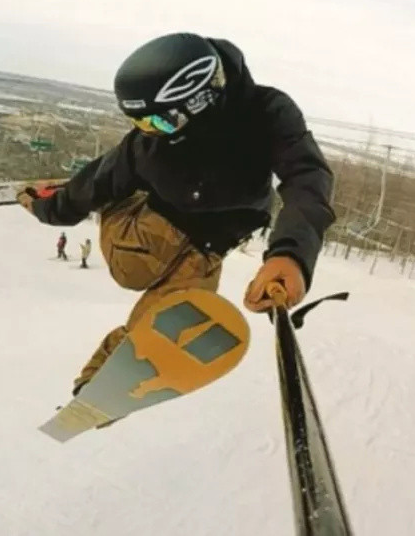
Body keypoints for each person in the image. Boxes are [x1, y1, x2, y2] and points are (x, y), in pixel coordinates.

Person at [17, 32, 335, 396]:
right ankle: (96, 196)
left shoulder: (266, 113)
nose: (151, 133)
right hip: (141, 232)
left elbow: (307, 176)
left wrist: (290, 255)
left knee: (173, 322)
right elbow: (98, 181)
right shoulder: (148, 145)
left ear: (202, 100)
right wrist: (46, 207)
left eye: (159, 122)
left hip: (206, 249)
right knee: (124, 220)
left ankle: (100, 383)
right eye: (141, 123)